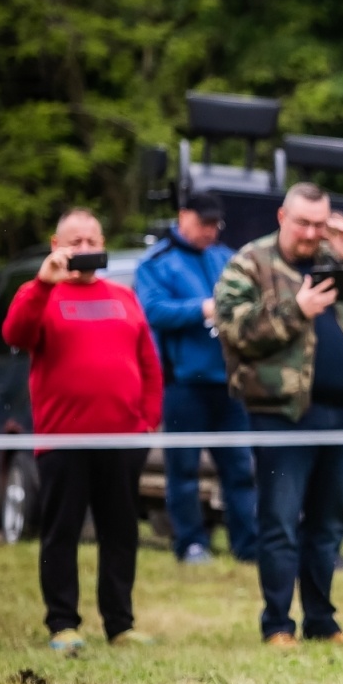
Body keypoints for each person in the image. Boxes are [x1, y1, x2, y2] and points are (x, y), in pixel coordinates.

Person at [214, 182, 343, 647]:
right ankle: (277, 623)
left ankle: (321, 619)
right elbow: (232, 326)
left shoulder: (339, 259)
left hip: (340, 414)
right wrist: (295, 310)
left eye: (320, 224)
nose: (311, 234)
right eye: (303, 223)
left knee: (327, 525)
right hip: (280, 414)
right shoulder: (251, 263)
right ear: (282, 217)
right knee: (279, 520)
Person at [2, 208, 163, 653]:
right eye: (76, 241)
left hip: (122, 441)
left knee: (121, 533)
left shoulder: (124, 297)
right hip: (63, 441)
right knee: (62, 532)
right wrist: (42, 283)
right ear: (57, 245)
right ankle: (63, 623)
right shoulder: (39, 294)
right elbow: (15, 334)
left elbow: (149, 362)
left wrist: (146, 423)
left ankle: (120, 623)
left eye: (93, 240)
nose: (86, 249)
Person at [135, 191, 259, 565]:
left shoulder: (225, 257)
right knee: (183, 469)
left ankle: (247, 544)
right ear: (183, 217)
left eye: (215, 225)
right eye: (203, 223)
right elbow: (152, 311)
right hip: (183, 385)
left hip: (228, 384)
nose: (210, 231)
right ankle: (190, 542)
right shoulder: (156, 263)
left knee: (239, 468)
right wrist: (201, 309)